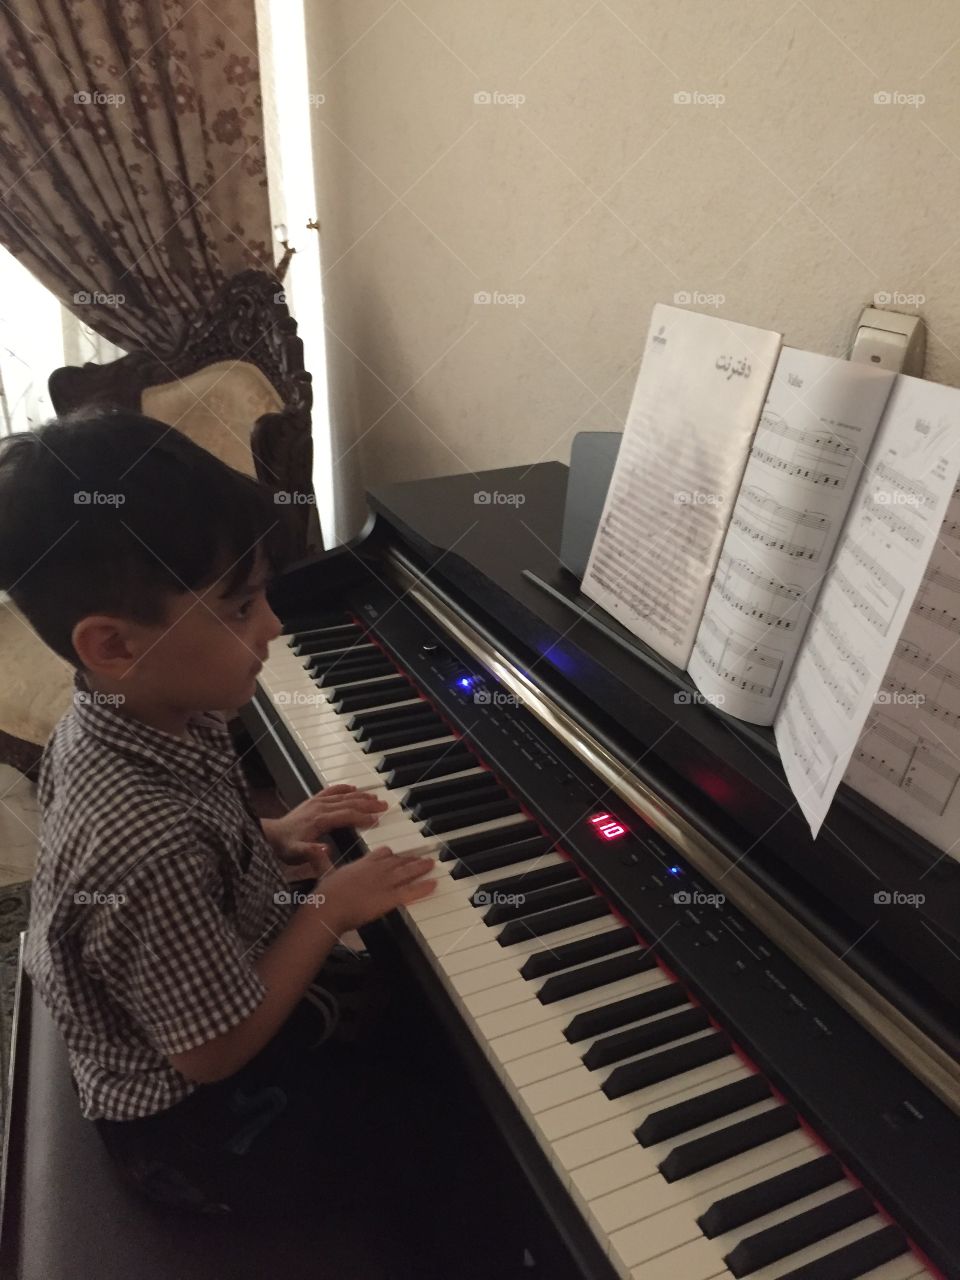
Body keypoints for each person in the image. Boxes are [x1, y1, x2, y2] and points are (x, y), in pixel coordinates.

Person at [0, 412, 456, 1269]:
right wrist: (324, 909)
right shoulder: (143, 845)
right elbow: (212, 1052)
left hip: (191, 985)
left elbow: (204, 824)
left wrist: (274, 834)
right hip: (199, 1125)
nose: (273, 627)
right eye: (240, 606)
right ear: (114, 644)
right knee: (444, 1130)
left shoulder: (148, 706)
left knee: (420, 1033)